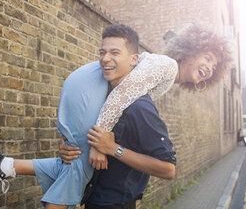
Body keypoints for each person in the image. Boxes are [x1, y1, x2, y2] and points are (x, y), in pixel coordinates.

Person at [0, 24, 179, 209]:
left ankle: (6, 165)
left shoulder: (140, 107)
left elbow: (168, 169)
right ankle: (6, 165)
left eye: (115, 52)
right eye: (103, 52)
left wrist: (113, 149)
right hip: (93, 196)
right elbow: (83, 145)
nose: (106, 58)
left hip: (117, 203)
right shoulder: (104, 96)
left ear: (133, 59)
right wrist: (68, 145)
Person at [60, 23, 233, 208]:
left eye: (214, 67)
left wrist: (75, 143)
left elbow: (122, 103)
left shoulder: (165, 78)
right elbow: (122, 94)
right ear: (189, 50)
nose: (209, 68)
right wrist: (98, 145)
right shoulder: (168, 65)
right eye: (207, 58)